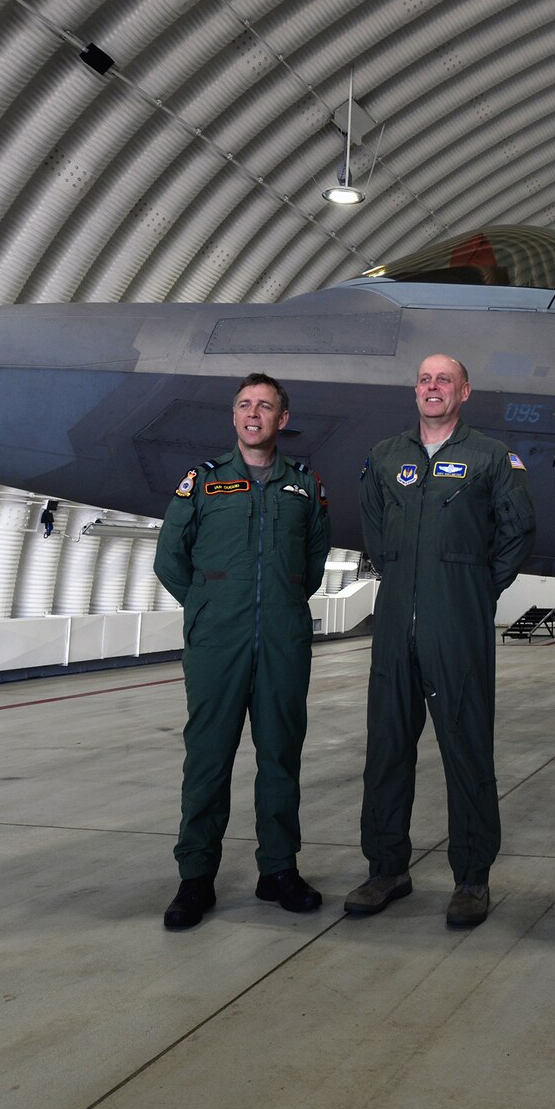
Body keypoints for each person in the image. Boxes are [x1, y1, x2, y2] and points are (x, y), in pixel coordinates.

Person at [345, 354, 536, 928]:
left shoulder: (491, 457)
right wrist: (406, 576)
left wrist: (472, 587)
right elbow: (376, 531)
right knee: (386, 750)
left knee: (467, 749)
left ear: (465, 391)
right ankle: (386, 869)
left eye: (444, 380)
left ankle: (472, 878)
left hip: (458, 624)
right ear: (417, 390)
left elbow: (518, 531)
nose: (433, 388)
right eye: (425, 380)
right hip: (395, 623)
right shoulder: (386, 456)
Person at [153, 374, 331, 930]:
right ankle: (196, 877)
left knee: (281, 757)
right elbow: (169, 560)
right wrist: (209, 606)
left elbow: (315, 562)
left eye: (266, 407)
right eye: (245, 406)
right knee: (208, 759)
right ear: (234, 418)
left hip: (282, 639)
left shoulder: (303, 485)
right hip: (217, 643)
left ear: (283, 419)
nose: (254, 414)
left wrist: (275, 603)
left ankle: (277, 870)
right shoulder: (202, 482)